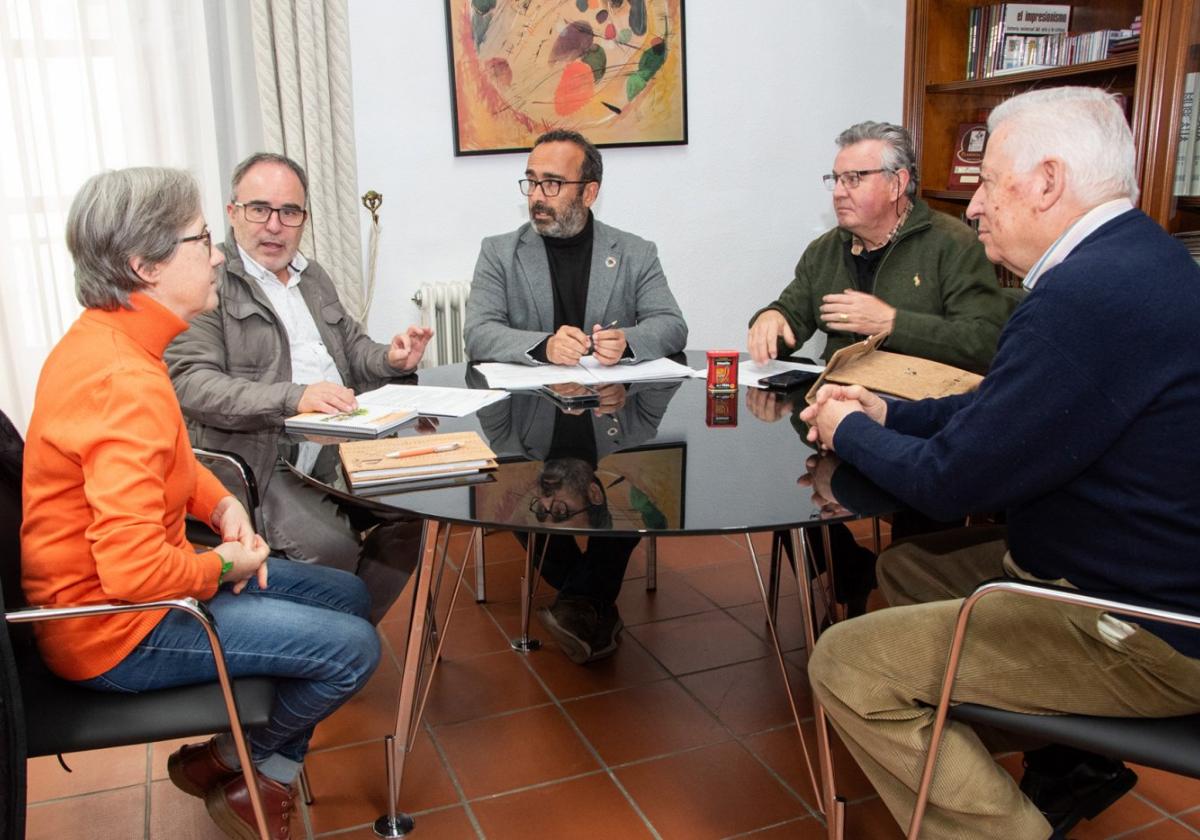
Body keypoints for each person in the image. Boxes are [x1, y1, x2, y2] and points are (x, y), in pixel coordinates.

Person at [801, 87, 1200, 839]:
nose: (974, 204)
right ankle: (1065, 757)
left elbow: (954, 483)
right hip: (1125, 570)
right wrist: (890, 413)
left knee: (846, 664)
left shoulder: (1083, 301)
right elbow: (1004, 411)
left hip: (1148, 629)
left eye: (986, 180)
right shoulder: (1137, 259)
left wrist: (848, 430)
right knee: (911, 569)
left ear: (1047, 181)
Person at [20, 167, 380, 839]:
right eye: (202, 239)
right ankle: (255, 772)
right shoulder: (121, 379)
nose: (217, 254)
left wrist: (220, 509)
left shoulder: (114, 339)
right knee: (355, 649)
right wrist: (225, 568)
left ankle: (229, 759)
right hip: (113, 630)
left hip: (128, 593)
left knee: (347, 595)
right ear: (144, 266)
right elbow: (132, 575)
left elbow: (174, 463)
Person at [166, 153, 429, 611]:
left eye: (289, 212)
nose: (274, 225)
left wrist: (391, 357)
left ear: (304, 218)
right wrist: (296, 398)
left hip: (337, 447)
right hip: (261, 460)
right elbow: (192, 384)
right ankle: (338, 640)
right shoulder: (209, 283)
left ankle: (347, 633)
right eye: (259, 209)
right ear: (232, 213)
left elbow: (351, 348)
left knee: (414, 514)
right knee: (333, 546)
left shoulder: (314, 277)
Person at [747, 120, 1009, 373]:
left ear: (896, 184)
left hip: (923, 408)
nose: (838, 192)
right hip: (835, 404)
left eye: (853, 179)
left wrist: (891, 323)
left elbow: (984, 343)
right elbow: (790, 316)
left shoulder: (954, 244)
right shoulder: (825, 250)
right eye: (836, 179)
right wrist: (771, 319)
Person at [476, 378, 680, 663]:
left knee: (525, 519)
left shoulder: (513, 444)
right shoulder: (635, 441)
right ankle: (590, 605)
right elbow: (668, 376)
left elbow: (480, 378)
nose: (547, 503)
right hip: (617, 485)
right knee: (625, 519)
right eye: (560, 511)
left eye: (546, 508)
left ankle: (581, 605)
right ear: (594, 492)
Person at [464, 128, 687, 366]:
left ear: (589, 194)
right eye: (532, 182)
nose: (537, 196)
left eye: (552, 183)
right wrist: (545, 346)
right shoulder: (498, 253)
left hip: (611, 398)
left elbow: (671, 325)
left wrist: (626, 342)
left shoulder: (636, 253)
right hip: (531, 400)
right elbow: (478, 333)